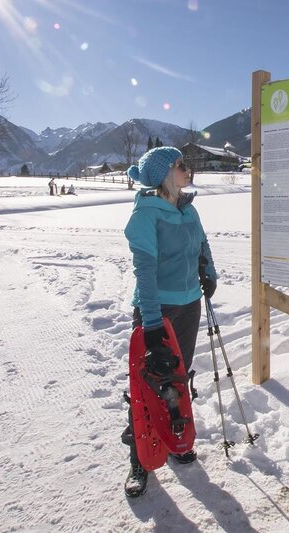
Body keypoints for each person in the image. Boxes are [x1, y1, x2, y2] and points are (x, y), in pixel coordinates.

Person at [121, 146, 218, 498]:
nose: (186, 169)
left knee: (178, 378)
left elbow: (203, 245)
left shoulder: (188, 208)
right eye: (180, 165)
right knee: (148, 386)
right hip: (157, 309)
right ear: (165, 175)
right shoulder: (146, 215)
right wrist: (151, 324)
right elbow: (144, 274)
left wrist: (209, 273)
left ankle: (176, 437)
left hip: (189, 304)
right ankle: (139, 457)